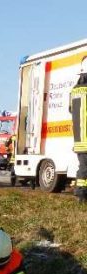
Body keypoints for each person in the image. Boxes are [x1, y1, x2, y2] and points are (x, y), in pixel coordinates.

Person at [69, 57, 87, 203]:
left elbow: (71, 109)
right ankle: (81, 196)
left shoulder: (74, 91)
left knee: (84, 168)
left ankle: (81, 195)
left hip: (79, 139)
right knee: (85, 169)